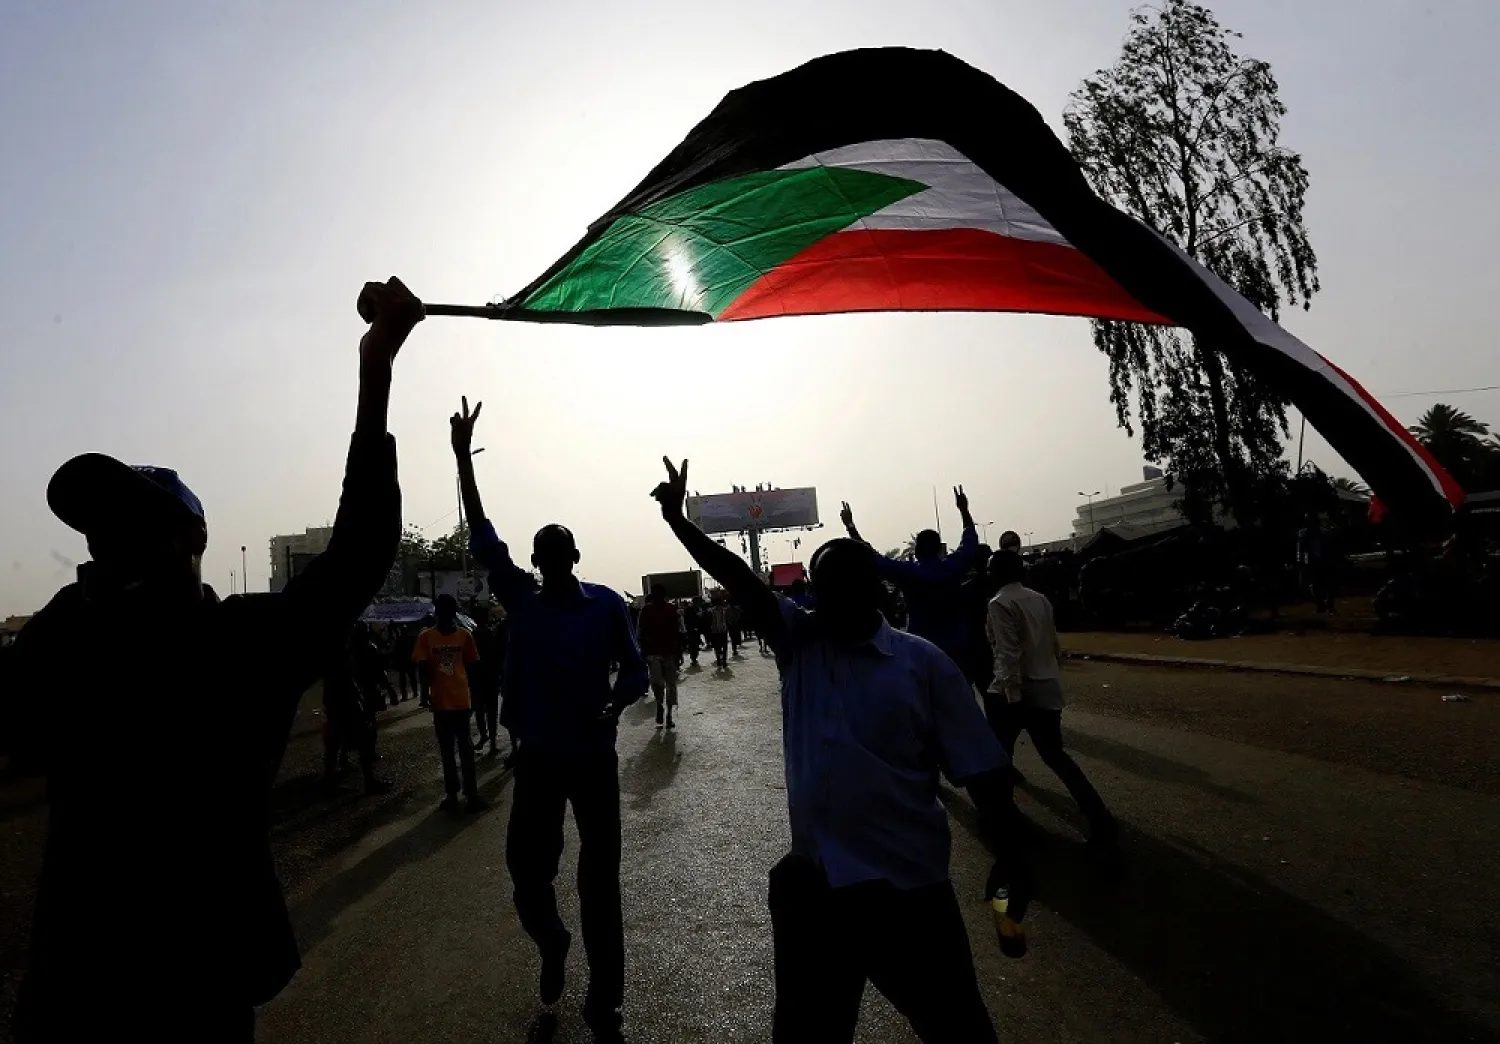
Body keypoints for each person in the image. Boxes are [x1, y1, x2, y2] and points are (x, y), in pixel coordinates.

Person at [0, 276, 419, 1041]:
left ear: (193, 542)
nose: (112, 544)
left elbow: (358, 553)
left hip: (199, 986)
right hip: (71, 988)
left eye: (137, 526)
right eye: (100, 531)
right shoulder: (64, 640)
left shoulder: (238, 643)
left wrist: (376, 371)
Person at [652, 457, 1030, 1044]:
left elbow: (983, 774)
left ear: (872, 595)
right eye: (816, 595)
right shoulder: (800, 643)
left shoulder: (921, 664)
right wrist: (679, 521)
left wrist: (1009, 863)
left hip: (909, 895)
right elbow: (744, 582)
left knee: (959, 1031)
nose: (819, 607)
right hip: (816, 893)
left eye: (835, 595)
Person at [452, 396, 648, 1035]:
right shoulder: (523, 599)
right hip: (537, 760)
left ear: (575, 557)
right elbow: (483, 537)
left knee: (602, 884)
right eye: (546, 552)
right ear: (536, 562)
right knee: (526, 879)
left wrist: (614, 703)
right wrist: (462, 459)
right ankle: (553, 942)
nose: (554, 559)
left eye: (562, 550)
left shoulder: (608, 607)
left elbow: (639, 672)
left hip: (593, 761)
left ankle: (606, 1000)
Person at [985, 550, 1117, 846]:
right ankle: (1098, 815)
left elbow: (1007, 652)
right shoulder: (1039, 599)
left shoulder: (999, 603)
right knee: (1055, 755)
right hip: (1045, 685)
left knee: (997, 755)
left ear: (996, 574)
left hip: (1016, 690)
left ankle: (1003, 821)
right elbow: (1053, 643)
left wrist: (1011, 694)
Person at [841, 488, 980, 668]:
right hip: (958, 645)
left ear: (916, 550)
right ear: (939, 548)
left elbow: (870, 556)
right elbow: (969, 542)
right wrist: (964, 510)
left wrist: (851, 527)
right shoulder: (954, 567)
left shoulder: (907, 572)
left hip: (921, 646)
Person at [413, 595, 485, 812]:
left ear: (453, 612)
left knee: (466, 751)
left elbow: (473, 668)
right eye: (440, 610)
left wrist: (476, 696)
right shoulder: (426, 637)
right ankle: (452, 794)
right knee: (447, 752)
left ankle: (471, 794)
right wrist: (424, 695)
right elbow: (423, 668)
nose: (442, 614)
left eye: (446, 610)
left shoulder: (465, 636)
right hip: (440, 703)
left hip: (461, 702)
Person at [322, 628, 390, 795]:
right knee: (363, 740)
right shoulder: (345, 653)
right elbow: (348, 680)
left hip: (337, 701)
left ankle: (332, 778)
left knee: (335, 742)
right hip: (347, 702)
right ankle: (368, 782)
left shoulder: (338, 651)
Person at [637, 583, 682, 728]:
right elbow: (642, 633)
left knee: (663, 684)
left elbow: (640, 633)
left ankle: (665, 712)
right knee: (666, 684)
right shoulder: (655, 610)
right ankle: (664, 710)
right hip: (659, 652)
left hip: (661, 652)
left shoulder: (658, 610)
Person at [706, 598, 731, 669]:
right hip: (723, 631)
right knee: (724, 646)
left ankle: (719, 661)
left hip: (715, 631)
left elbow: (709, 622)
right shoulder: (724, 610)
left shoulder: (711, 611)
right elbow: (727, 620)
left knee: (717, 647)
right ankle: (724, 662)